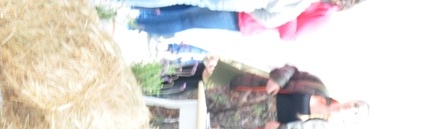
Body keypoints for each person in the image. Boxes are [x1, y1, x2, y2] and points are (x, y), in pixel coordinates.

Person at [151, 62, 368, 129]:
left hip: (253, 124)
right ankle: (146, 107)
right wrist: (279, 80)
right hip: (250, 94)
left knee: (198, 125)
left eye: (356, 113)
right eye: (356, 104)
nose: (352, 109)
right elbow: (291, 70)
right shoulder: (319, 87)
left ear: (350, 122)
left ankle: (151, 127)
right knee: (193, 100)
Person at [131, 0, 366, 41]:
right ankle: (134, 9)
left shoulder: (324, 14)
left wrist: (292, 10)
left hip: (245, 18)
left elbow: (289, 34)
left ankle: (134, 23)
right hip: (247, 7)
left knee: (188, 18)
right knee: (185, 6)